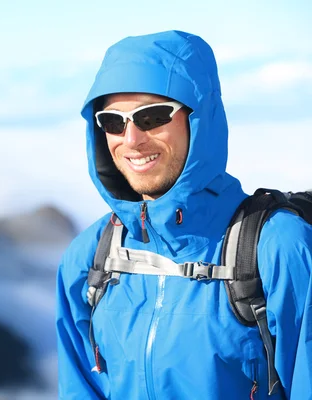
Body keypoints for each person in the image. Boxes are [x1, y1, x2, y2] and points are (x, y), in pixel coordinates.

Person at [56, 30, 312, 399]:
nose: (131, 140)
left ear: (200, 118)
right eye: (113, 121)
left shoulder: (278, 248)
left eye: (152, 116)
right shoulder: (90, 258)